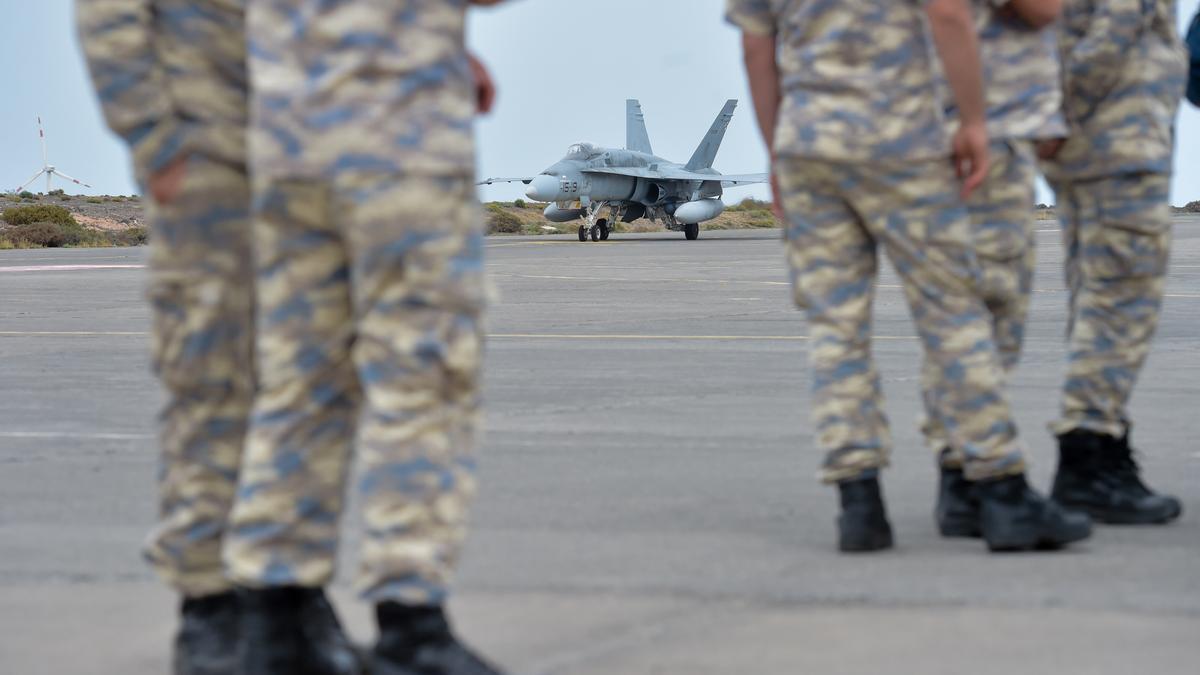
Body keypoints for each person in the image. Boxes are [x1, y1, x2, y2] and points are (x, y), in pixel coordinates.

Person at [727, 0, 1092, 553]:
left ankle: (859, 504)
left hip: (810, 147)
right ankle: (1001, 489)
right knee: (954, 313)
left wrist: (779, 150)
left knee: (835, 327)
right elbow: (948, 12)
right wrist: (972, 120)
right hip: (901, 138)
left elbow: (756, 45)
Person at [219, 1, 507, 673]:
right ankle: (410, 622)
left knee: (300, 375)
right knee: (423, 373)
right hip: (397, 129)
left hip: (285, 129)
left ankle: (275, 620)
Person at [78, 2, 355, 673]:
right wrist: (155, 140)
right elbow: (107, 14)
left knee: (312, 385)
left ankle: (291, 590)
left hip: (312, 163)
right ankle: (208, 603)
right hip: (209, 168)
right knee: (212, 382)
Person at [1037, 0, 1187, 525]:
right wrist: (1061, 109)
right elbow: (1114, 26)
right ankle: (1088, 458)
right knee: (1120, 301)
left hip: (1092, 139)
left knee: (1094, 295)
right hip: (1117, 139)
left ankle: (1103, 447)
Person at [924, 0, 1068, 538]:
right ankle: (983, 479)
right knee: (991, 307)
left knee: (967, 308)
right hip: (985, 128)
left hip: (957, 122)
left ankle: (960, 474)